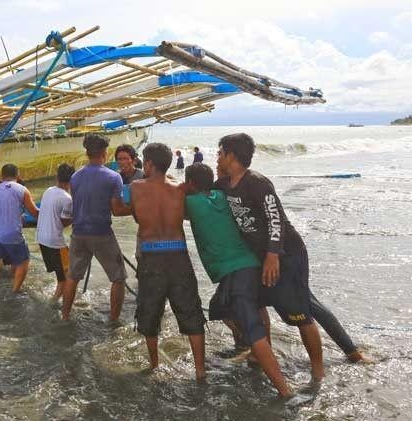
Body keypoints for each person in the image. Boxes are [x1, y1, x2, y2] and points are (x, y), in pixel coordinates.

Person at [215, 133, 366, 379]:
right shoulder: (224, 185)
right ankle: (263, 352)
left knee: (303, 312)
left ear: (231, 155)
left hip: (287, 254)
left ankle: (319, 371)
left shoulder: (257, 182)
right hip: (260, 256)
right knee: (256, 302)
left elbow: (277, 220)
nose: (217, 157)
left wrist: (273, 255)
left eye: (220, 153)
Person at [185, 163, 291, 396]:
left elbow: (173, 199)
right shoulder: (222, 195)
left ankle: (285, 390)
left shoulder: (190, 203)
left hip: (236, 272)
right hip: (249, 265)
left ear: (190, 184)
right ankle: (253, 349)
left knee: (252, 328)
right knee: (219, 308)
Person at [129, 143, 206, 380]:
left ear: (149, 164)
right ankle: (200, 371)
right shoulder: (180, 188)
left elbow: (132, 213)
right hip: (178, 254)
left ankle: (154, 365)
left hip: (151, 255)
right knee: (191, 312)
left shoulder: (135, 186)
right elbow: (189, 209)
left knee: (149, 312)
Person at [61, 133, 130, 323]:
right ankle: (113, 321)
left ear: (87, 152)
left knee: (73, 277)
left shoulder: (75, 177)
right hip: (101, 233)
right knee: (118, 278)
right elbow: (116, 210)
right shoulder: (113, 177)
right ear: (105, 153)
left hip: (78, 233)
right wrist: (135, 210)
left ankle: (65, 316)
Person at [0, 164, 39, 295]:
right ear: (18, 175)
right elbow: (34, 212)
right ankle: (15, 291)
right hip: (12, 233)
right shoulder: (22, 189)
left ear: (2, 176)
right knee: (24, 261)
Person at [36, 163, 75, 301]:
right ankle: (54, 303)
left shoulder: (48, 190)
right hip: (55, 242)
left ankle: (58, 298)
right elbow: (65, 222)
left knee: (61, 274)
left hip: (41, 238)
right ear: (72, 180)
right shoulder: (67, 199)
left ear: (57, 177)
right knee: (67, 276)